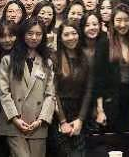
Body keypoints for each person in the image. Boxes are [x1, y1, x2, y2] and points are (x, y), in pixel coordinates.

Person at [0, 17, 56, 157]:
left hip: (38, 124)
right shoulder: (8, 60)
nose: (34, 37)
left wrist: (41, 120)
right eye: (30, 33)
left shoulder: (47, 62)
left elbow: (50, 95)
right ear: (23, 34)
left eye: (38, 34)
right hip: (14, 122)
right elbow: (4, 93)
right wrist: (15, 119)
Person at [94, 4, 129, 132]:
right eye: (118, 20)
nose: (122, 24)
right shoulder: (104, 43)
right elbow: (98, 79)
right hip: (110, 103)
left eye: (126, 20)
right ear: (112, 22)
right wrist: (100, 110)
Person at [54, 22, 94, 157]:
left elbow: (88, 90)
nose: (71, 37)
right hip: (58, 112)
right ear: (60, 38)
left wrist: (80, 119)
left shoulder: (86, 57)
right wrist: (62, 121)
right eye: (66, 34)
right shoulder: (54, 57)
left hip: (79, 111)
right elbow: (53, 92)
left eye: (74, 33)